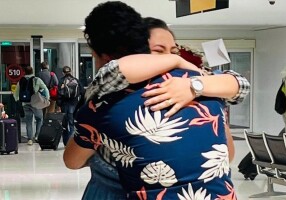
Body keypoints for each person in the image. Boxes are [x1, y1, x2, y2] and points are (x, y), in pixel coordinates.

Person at [64, 2, 241, 199]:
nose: (166, 58)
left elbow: (72, 160)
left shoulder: (102, 103)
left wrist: (195, 83)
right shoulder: (204, 84)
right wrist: (186, 68)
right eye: (158, 51)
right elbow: (228, 153)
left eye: (173, 51)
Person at [13, 66, 49, 145]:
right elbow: (45, 88)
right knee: (39, 119)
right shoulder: (36, 80)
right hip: (35, 103)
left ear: (24, 72)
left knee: (28, 121)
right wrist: (47, 98)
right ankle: (37, 136)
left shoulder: (21, 81)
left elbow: (16, 93)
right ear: (32, 71)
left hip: (25, 103)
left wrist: (17, 100)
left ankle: (30, 139)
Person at [57, 66, 84, 146]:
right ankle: (72, 142)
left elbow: (59, 94)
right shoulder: (76, 80)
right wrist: (80, 103)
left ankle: (66, 142)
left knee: (65, 124)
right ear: (71, 71)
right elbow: (82, 92)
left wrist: (58, 104)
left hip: (64, 104)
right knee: (72, 123)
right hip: (74, 104)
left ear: (63, 72)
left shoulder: (61, 81)